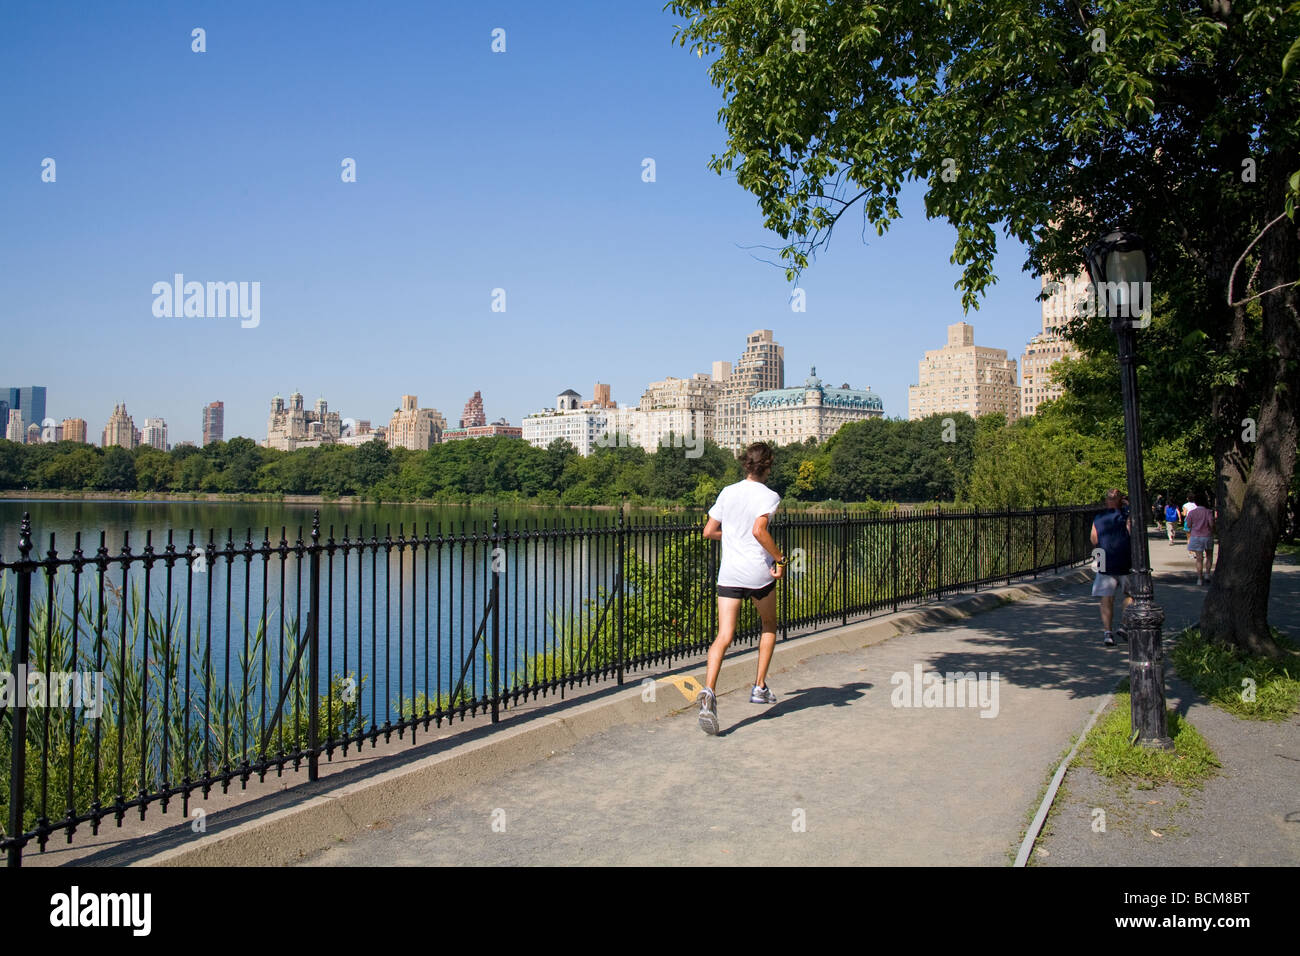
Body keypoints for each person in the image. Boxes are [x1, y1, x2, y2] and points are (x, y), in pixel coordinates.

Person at [696, 442, 784, 735]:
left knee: (724, 635)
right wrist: (780, 557)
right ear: (768, 465)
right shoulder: (769, 495)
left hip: (730, 573)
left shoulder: (728, 492)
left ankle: (709, 691)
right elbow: (759, 531)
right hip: (758, 574)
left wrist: (731, 535)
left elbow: (709, 531)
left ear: (746, 464)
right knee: (769, 625)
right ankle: (759, 686)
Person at [1091, 488, 1133, 647]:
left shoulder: (1099, 518)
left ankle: (1107, 633)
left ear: (1106, 500)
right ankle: (1123, 624)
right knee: (1131, 595)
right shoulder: (1125, 516)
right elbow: (1131, 532)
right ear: (1120, 500)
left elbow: (1094, 539)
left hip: (1105, 560)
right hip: (1125, 560)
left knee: (1106, 598)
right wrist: (1127, 505)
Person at [1186, 491, 1215, 585]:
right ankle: (1207, 574)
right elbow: (1211, 524)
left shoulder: (1192, 513)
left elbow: (1189, 525)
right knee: (1209, 556)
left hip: (1196, 536)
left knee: (1199, 558)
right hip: (1207, 536)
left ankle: (1199, 579)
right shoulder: (1208, 512)